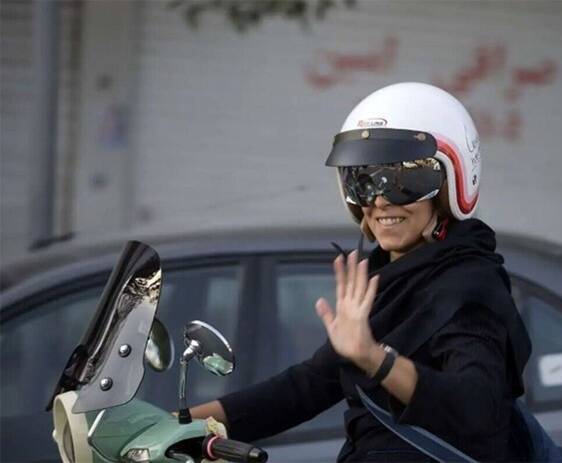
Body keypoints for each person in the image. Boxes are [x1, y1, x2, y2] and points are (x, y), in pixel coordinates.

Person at [189, 82, 532, 462]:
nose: (380, 200)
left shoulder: (468, 287)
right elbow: (305, 387)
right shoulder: (385, 281)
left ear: (452, 184)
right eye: (365, 181)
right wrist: (180, 426)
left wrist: (376, 359)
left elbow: (477, 408)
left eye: (405, 182)